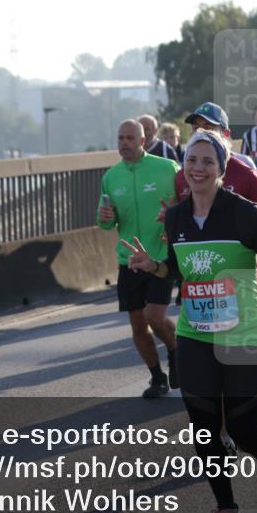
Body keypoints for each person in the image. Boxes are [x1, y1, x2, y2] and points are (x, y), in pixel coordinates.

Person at [122, 131, 257, 513]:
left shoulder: (245, 213)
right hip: (196, 334)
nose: (198, 168)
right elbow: (177, 270)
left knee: (241, 428)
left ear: (221, 169)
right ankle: (227, 511)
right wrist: (153, 267)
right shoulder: (177, 216)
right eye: (192, 160)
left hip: (245, 330)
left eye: (207, 161)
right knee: (203, 426)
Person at [175, 102, 257, 416]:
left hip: (240, 270)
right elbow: (177, 221)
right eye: (196, 128)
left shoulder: (244, 172)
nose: (201, 134)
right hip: (202, 277)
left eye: (208, 128)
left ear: (225, 135)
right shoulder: (184, 175)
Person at [98, 120, 180, 398]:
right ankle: (157, 378)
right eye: (120, 138)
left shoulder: (167, 168)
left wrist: (175, 219)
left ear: (143, 140)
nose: (124, 143)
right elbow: (107, 222)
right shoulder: (111, 177)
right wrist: (105, 218)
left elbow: (188, 202)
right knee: (137, 323)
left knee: (154, 316)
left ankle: (176, 350)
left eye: (130, 138)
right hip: (130, 261)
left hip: (160, 255)